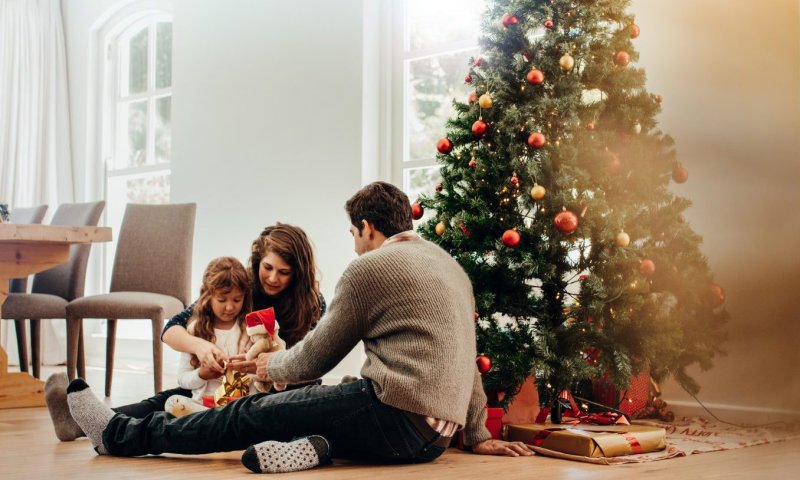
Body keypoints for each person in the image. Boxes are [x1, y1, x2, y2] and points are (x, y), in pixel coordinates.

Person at [64, 181, 533, 474]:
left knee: (249, 414)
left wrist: (267, 365)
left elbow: (315, 357)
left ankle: (119, 436)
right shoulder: (449, 266)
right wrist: (477, 432)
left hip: (394, 415)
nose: (353, 245)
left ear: (367, 227)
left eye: (353, 234)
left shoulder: (372, 269)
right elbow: (466, 356)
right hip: (432, 440)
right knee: (326, 406)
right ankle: (311, 450)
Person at [45, 223, 325, 441]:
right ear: (257, 262)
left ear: (298, 273)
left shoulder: (314, 304)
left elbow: (313, 362)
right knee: (170, 397)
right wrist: (202, 348)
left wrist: (271, 368)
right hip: (228, 386)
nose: (273, 278)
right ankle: (79, 422)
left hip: (280, 392)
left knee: (191, 410)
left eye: (284, 272)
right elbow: (172, 329)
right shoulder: (241, 290)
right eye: (267, 268)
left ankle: (96, 427)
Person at [163, 256, 252, 417]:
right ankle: (211, 421)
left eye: (237, 299)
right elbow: (183, 379)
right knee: (172, 402)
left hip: (239, 406)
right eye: (221, 300)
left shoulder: (248, 330)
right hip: (202, 406)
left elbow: (258, 381)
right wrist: (202, 374)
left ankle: (216, 422)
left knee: (252, 408)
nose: (230, 307)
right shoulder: (196, 330)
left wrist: (245, 370)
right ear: (207, 296)